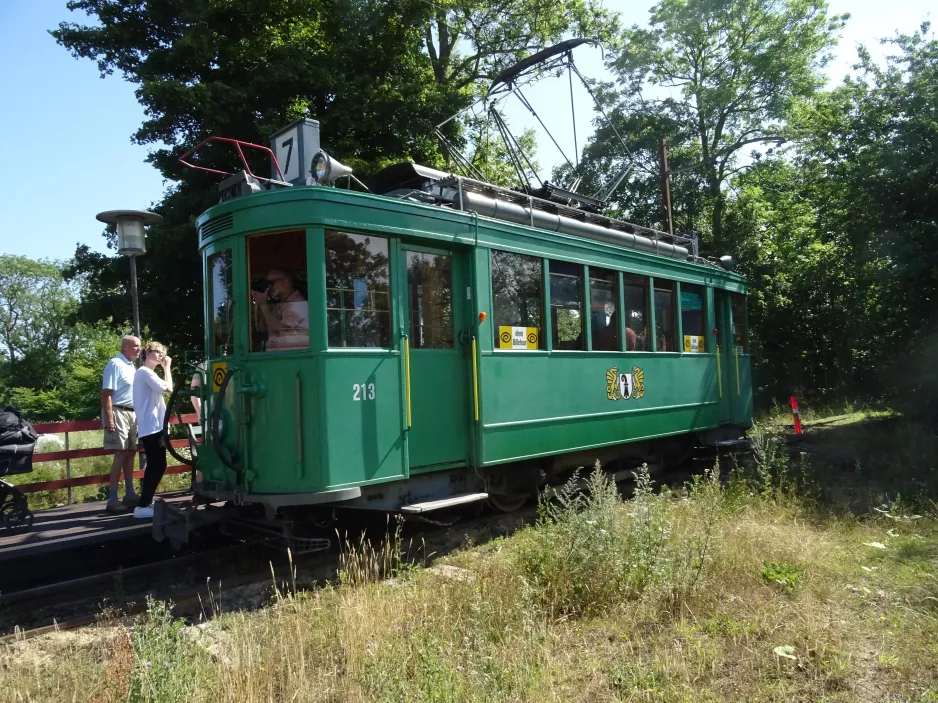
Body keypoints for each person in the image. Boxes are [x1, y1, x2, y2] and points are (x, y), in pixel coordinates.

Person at [132, 342, 173, 519]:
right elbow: (169, 388)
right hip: (151, 426)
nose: (161, 355)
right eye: (157, 352)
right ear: (147, 353)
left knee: (157, 464)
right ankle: (142, 506)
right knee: (157, 464)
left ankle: (146, 502)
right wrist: (168, 368)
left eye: (162, 353)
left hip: (154, 425)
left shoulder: (148, 374)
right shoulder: (144, 372)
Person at [100, 335, 141, 513]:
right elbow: (106, 393)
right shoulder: (115, 364)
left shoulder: (131, 366)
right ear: (125, 347)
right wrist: (110, 418)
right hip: (118, 411)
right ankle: (113, 498)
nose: (139, 349)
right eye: (136, 346)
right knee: (120, 452)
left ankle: (130, 494)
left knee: (131, 452)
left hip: (131, 412)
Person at [251, 268, 309, 350]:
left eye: (271, 283)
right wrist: (260, 303)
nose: (269, 287)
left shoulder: (297, 304)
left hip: (293, 356)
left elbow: (277, 328)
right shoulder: (280, 304)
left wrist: (264, 305)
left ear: (285, 282)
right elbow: (262, 328)